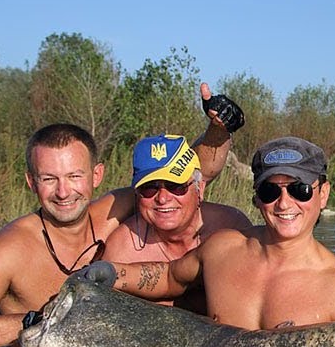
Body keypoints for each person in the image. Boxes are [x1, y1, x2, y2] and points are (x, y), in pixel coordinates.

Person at [0, 83, 245, 347]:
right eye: (49, 179)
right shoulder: (11, 248)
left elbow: (189, 173)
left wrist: (218, 129)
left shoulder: (114, 211)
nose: (64, 192)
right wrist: (41, 321)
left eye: (74, 176)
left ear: (95, 176)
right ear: (31, 182)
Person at [93, 135, 335, 329]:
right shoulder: (222, 248)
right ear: (257, 198)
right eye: (270, 190)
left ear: (323, 194)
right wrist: (111, 272)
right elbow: (169, 276)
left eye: (300, 190)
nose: (284, 203)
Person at [101, 133, 253, 314]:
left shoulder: (232, 227)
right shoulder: (122, 250)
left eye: (176, 186)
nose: (163, 198)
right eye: (150, 188)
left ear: (200, 188)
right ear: (136, 194)